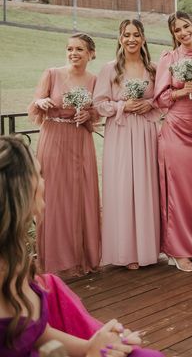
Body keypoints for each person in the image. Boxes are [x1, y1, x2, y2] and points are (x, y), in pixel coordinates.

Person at [0, 135, 156, 357]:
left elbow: (37, 333)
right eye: (39, 175)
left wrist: (91, 346)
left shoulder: (14, 255)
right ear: (20, 190)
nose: (45, 182)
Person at [28, 33, 101, 276]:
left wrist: (88, 115)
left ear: (91, 53)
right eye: (70, 49)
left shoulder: (94, 80)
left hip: (80, 141)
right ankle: (54, 260)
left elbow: (97, 113)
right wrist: (43, 101)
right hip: (53, 138)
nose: (73, 53)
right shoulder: (52, 74)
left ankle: (79, 257)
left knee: (80, 196)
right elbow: (35, 103)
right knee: (53, 196)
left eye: (79, 49)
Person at [94, 19, 161, 271]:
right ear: (120, 38)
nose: (131, 39)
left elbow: (162, 98)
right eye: (126, 35)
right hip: (120, 132)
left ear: (143, 38)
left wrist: (150, 104)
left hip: (145, 132)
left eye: (136, 35)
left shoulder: (153, 69)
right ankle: (124, 250)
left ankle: (147, 248)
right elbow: (99, 104)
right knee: (122, 187)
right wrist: (123, 105)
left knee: (145, 186)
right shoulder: (109, 69)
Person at [154, 11, 192, 272]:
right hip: (176, 130)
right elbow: (159, 99)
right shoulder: (169, 58)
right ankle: (179, 250)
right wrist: (180, 92)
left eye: (186, 26)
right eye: (177, 30)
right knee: (178, 191)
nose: (183, 33)